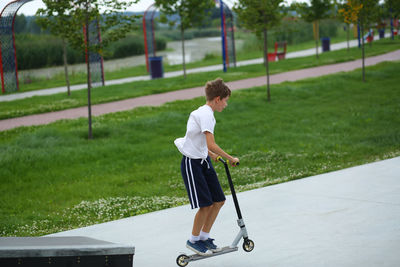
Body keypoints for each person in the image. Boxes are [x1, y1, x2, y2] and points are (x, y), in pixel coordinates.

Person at [174, 78, 239, 256]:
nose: (226, 105)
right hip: (192, 164)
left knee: (219, 200)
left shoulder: (205, 113)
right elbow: (211, 143)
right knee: (205, 205)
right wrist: (230, 157)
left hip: (203, 160)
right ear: (217, 99)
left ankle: (204, 237)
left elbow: (199, 141)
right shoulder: (206, 115)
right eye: (225, 101)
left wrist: (212, 156)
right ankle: (193, 240)